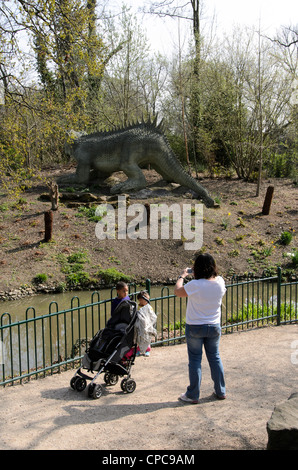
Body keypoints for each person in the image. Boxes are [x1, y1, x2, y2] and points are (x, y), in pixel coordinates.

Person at [174, 253, 226, 404]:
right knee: (215, 357)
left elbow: (178, 291)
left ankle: (193, 394)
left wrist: (182, 276)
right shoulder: (220, 282)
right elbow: (216, 283)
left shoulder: (195, 285)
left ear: (196, 268)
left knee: (195, 360)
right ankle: (220, 390)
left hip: (195, 326)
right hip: (214, 326)